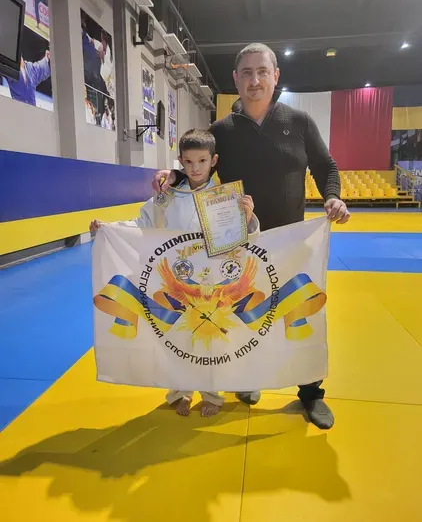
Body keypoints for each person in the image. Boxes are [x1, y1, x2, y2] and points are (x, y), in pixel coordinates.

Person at [152, 43, 350, 430]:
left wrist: (333, 196)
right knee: (242, 316)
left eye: (262, 71)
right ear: (235, 79)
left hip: (291, 240)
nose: (254, 80)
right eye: (246, 72)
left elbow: (326, 165)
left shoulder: (299, 122)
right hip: (238, 244)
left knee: (300, 317)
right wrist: (170, 177)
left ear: (275, 76)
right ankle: (246, 378)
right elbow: (198, 166)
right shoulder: (221, 131)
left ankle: (310, 392)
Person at [90, 129, 260, 417]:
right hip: (174, 278)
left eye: (202, 161)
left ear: (213, 161)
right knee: (176, 338)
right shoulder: (167, 197)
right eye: (189, 162)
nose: (195, 168)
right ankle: (180, 392)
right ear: (180, 161)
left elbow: (246, 240)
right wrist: (109, 228)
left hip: (212, 281)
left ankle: (211, 394)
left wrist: (249, 217)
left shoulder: (227, 197)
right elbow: (142, 222)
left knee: (210, 340)